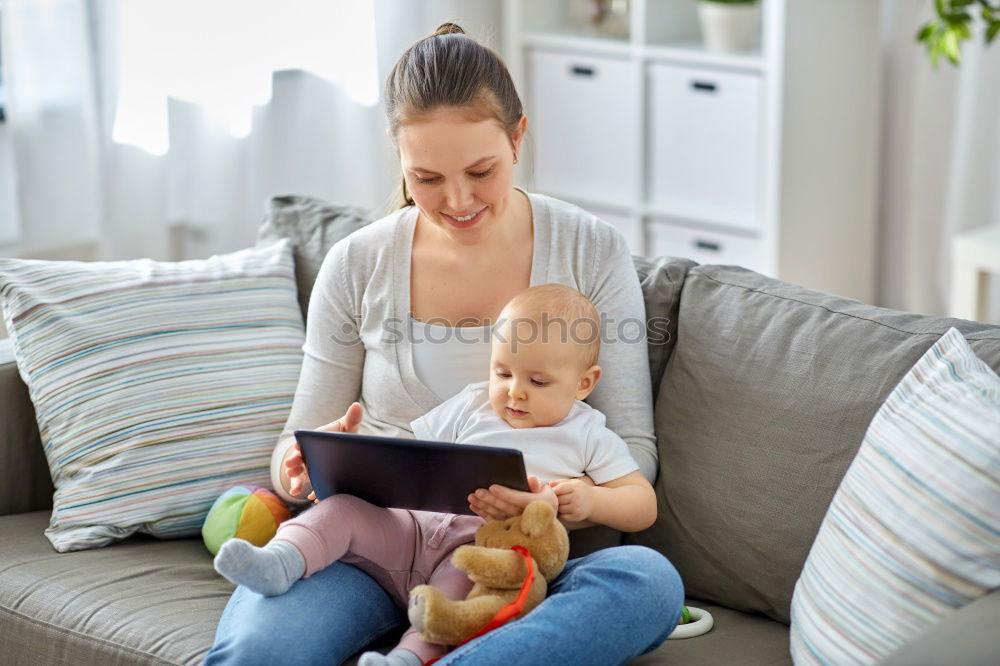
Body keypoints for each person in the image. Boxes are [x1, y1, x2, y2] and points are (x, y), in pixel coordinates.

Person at [205, 22, 683, 666]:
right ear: (398, 161)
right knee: (259, 654)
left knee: (646, 580)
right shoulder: (356, 264)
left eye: (481, 171)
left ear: (517, 138)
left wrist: (556, 500)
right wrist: (299, 465)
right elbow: (297, 440)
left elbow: (635, 456)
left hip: (513, 563)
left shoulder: (590, 251)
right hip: (375, 545)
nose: (457, 201)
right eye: (425, 178)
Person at [212, 284, 658, 666]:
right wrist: (340, 456)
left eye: (538, 382)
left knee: (454, 601)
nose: (514, 391)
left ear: (584, 382)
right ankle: (278, 563)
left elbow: (642, 504)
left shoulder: (586, 433)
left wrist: (587, 500)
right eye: (502, 372)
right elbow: (411, 455)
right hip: (409, 531)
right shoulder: (473, 403)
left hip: (476, 555)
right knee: (341, 509)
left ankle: (407, 659)